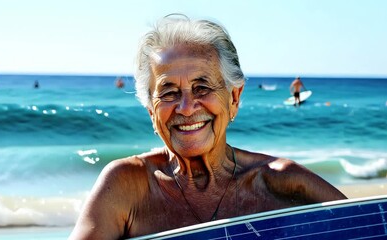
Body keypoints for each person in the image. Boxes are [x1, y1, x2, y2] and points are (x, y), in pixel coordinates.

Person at [69, 15, 346, 239]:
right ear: (151, 110)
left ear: (234, 98)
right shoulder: (127, 187)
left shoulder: (286, 185)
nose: (187, 108)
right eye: (168, 93)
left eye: (202, 88)